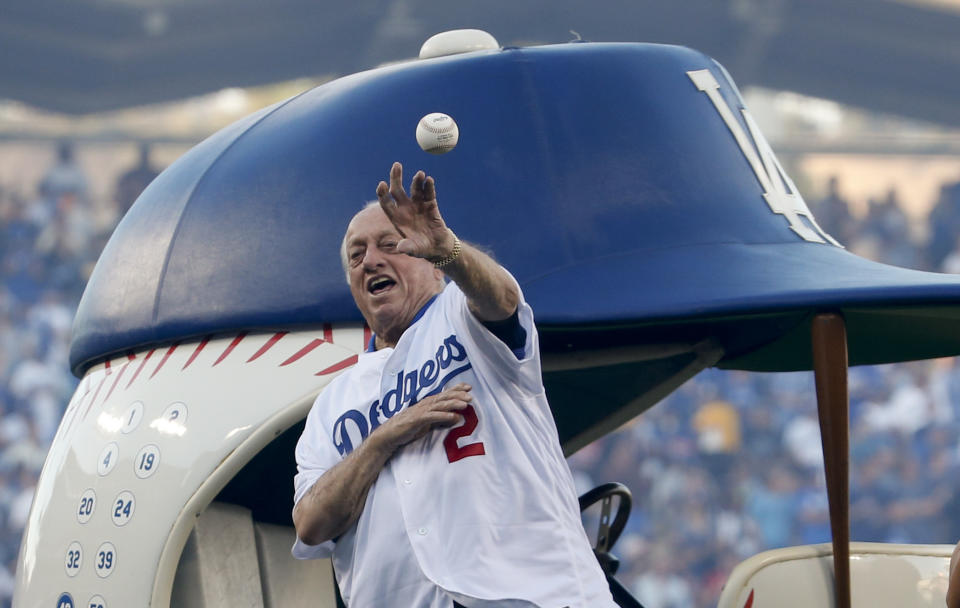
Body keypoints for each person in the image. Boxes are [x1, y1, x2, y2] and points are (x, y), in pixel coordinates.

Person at [291, 162, 616, 607]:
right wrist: (381, 441)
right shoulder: (333, 402)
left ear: (431, 265)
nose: (371, 260)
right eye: (356, 255)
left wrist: (448, 250)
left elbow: (501, 299)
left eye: (391, 244)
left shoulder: (461, 318)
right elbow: (310, 522)